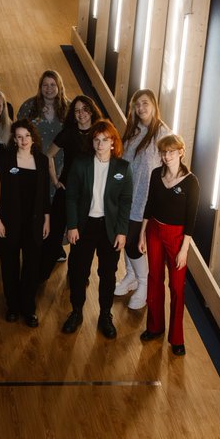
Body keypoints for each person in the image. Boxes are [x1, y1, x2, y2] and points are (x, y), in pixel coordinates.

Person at [63, 120, 133, 339]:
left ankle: (105, 314)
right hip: (85, 226)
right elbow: (71, 196)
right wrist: (72, 225)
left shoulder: (122, 168)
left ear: (113, 142)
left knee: (108, 273)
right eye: (96, 139)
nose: (100, 144)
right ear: (92, 142)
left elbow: (125, 201)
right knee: (79, 271)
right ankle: (76, 312)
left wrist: (122, 231)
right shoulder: (81, 163)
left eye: (105, 140)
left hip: (109, 228)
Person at [138, 134, 199, 356]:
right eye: (163, 152)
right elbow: (150, 204)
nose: (167, 156)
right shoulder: (156, 174)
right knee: (154, 279)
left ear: (181, 152)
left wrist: (184, 250)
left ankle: (177, 338)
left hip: (177, 238)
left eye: (171, 152)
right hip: (154, 229)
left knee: (176, 287)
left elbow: (191, 221)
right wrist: (142, 233)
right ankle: (154, 327)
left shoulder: (191, 182)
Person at [114, 89, 171, 309]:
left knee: (132, 242)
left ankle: (144, 284)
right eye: (137, 105)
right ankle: (131, 276)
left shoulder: (162, 133)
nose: (141, 108)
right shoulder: (132, 130)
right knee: (124, 238)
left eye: (145, 103)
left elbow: (168, 169)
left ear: (154, 105)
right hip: (127, 195)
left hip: (145, 199)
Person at [0, 120, 51, 327]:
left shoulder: (42, 160)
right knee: (9, 265)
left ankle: (29, 308)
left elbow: (45, 194)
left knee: (31, 266)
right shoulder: (5, 160)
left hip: (34, 221)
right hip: (9, 221)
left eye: (27, 135)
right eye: (19, 136)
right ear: (14, 139)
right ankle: (12, 306)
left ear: (33, 137)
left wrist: (47, 219)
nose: (23, 140)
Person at [39, 95, 102, 280]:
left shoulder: (99, 134)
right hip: (65, 191)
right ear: (73, 114)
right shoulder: (68, 132)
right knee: (54, 235)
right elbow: (48, 155)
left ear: (92, 110)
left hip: (88, 196)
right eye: (77, 110)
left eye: (85, 109)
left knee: (81, 241)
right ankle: (42, 275)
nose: (81, 113)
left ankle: (77, 277)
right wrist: (55, 180)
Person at [17, 70, 71, 165]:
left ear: (59, 86)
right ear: (40, 87)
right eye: (45, 85)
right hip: (34, 161)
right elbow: (18, 133)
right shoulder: (28, 106)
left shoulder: (70, 108)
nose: (49, 88)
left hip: (63, 163)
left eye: (53, 84)